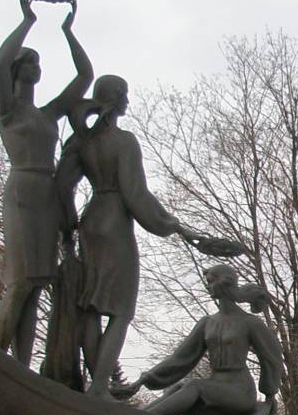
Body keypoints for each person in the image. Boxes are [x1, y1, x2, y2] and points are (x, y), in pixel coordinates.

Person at [57, 75, 243, 393]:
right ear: (115, 99)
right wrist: (173, 225)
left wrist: (69, 226)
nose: (128, 101)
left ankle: (95, 385)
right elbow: (135, 195)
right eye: (125, 95)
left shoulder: (81, 141)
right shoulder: (124, 141)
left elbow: (62, 187)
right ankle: (99, 388)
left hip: (91, 221)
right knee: (121, 311)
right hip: (115, 224)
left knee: (90, 306)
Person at [0, 0, 92, 364]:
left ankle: (19, 368)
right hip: (22, 190)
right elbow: (0, 63)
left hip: (47, 194)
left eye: (38, 61)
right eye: (31, 61)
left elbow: (85, 76)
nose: (37, 67)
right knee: (19, 281)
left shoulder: (48, 114)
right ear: (19, 70)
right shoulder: (9, 111)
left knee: (36, 285)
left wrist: (68, 31)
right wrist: (27, 21)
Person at [130, 264, 282, 415]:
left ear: (224, 282)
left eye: (210, 281)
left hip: (240, 391)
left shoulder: (250, 322)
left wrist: (269, 393)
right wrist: (144, 380)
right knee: (180, 386)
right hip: (214, 385)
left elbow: (272, 358)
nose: (207, 286)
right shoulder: (207, 323)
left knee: (195, 385)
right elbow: (180, 358)